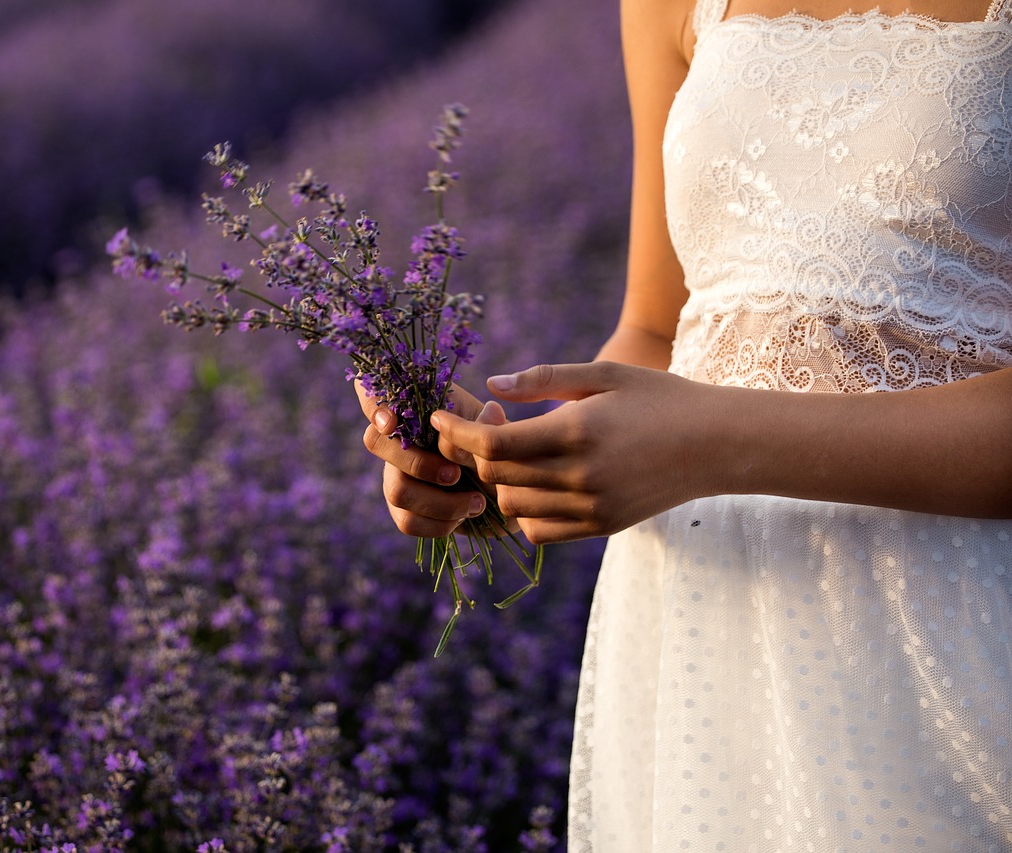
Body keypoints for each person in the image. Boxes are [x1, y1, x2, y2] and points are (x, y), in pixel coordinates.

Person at [358, 0, 1012, 848]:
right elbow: (660, 328)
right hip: (706, 626)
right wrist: (513, 459)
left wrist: (704, 443)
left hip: (950, 626)